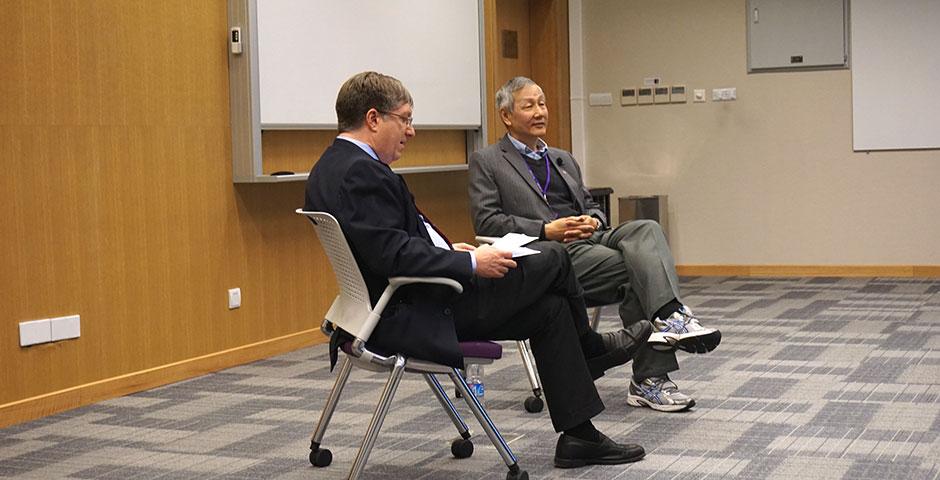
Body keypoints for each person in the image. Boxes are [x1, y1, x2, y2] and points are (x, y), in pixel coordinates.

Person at [304, 71, 651, 468]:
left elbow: (384, 242)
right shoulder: (359, 172)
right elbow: (392, 255)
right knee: (553, 257)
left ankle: (579, 437)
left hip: (395, 303)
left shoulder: (333, 165)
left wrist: (448, 248)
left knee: (552, 311)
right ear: (373, 119)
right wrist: (470, 261)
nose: (411, 131)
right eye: (405, 119)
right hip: (416, 311)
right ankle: (590, 349)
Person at [468, 76, 722, 413]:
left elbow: (590, 205)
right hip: (549, 255)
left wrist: (593, 220)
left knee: (646, 229)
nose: (539, 111)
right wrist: (547, 230)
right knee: (640, 271)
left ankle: (669, 317)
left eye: (542, 103)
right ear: (506, 115)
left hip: (590, 239)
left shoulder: (561, 157)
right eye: (528, 105)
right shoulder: (488, 161)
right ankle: (651, 377)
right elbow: (487, 222)